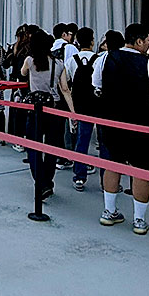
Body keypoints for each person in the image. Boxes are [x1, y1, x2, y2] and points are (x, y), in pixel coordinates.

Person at [93, 23, 149, 235]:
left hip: (112, 122)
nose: (148, 44)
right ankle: (139, 220)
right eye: (147, 40)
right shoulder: (148, 64)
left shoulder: (105, 58)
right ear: (138, 41)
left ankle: (109, 212)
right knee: (141, 170)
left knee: (112, 164)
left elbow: (96, 85)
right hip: (141, 124)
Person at [20, 32, 75, 202]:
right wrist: (73, 113)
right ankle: (48, 182)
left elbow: (22, 74)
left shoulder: (30, 61)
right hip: (54, 109)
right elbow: (65, 89)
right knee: (52, 148)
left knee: (33, 147)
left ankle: (41, 183)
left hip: (35, 109)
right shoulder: (59, 64)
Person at [65, 26, 98, 189]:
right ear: (92, 41)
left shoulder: (72, 59)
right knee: (104, 141)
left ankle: (79, 176)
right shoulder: (99, 59)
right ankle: (107, 179)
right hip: (97, 104)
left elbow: (66, 81)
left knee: (82, 139)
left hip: (80, 104)